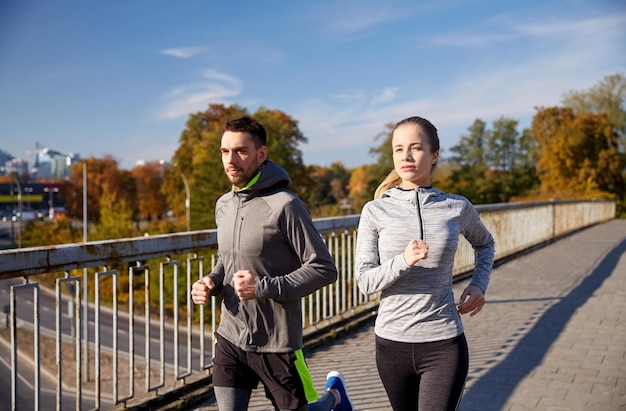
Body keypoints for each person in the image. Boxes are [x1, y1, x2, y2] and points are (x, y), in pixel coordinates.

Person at [191, 116, 353, 411]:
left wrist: (263, 287)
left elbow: (324, 269)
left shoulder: (285, 206)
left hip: (277, 343)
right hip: (230, 335)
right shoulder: (223, 205)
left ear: (261, 154)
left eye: (240, 150)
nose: (230, 159)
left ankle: (335, 398)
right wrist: (211, 282)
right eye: (225, 151)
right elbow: (225, 261)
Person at [355, 116, 495, 411]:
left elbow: (485, 243)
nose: (405, 156)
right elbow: (365, 282)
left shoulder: (457, 207)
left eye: (415, 148)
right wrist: (403, 261)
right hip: (391, 344)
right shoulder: (375, 211)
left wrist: (479, 284)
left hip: (443, 342)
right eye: (398, 149)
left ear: (434, 155)